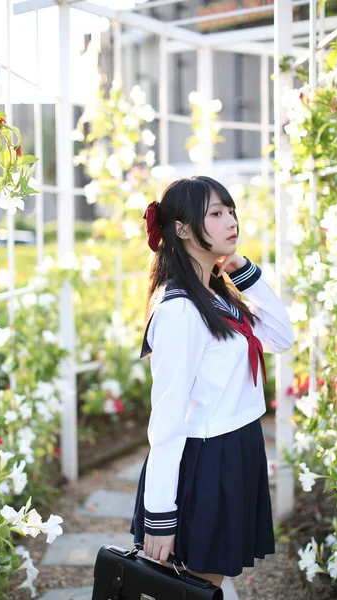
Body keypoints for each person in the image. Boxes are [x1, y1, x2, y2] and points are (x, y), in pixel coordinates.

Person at [130, 175, 295, 588]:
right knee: (192, 589)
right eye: (216, 213)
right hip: (206, 461)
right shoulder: (180, 310)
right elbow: (167, 418)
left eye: (231, 210)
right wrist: (160, 516)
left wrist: (244, 271)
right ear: (182, 229)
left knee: (201, 588)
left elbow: (280, 337)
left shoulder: (216, 295)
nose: (231, 221)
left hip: (236, 447)